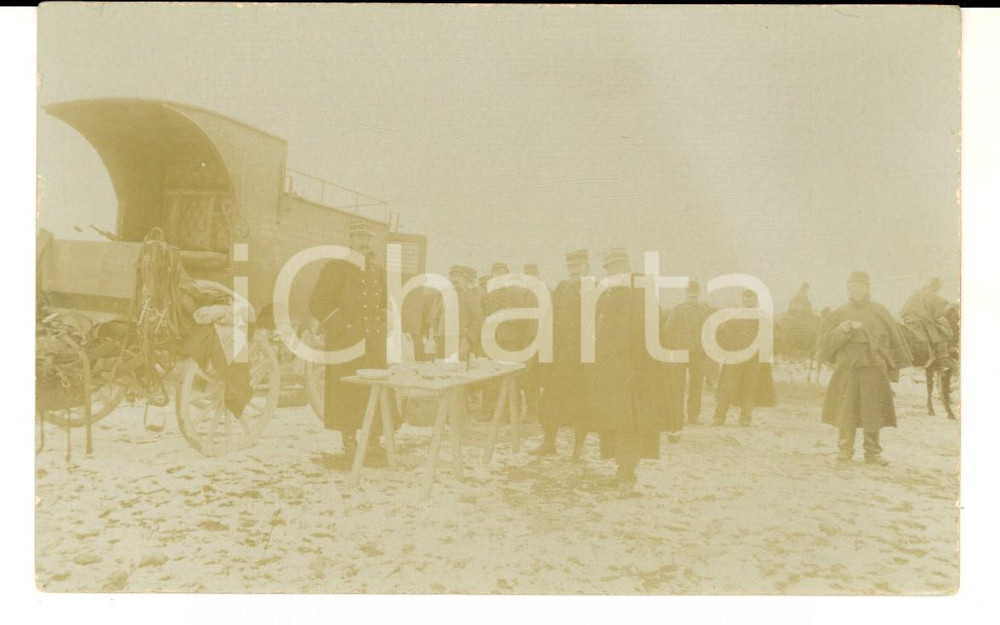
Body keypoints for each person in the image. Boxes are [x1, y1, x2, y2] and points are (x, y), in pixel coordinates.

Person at [587, 247, 677, 497]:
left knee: (631, 424)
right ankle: (621, 471)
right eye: (610, 270)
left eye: (617, 269)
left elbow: (651, 336)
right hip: (611, 372)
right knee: (616, 422)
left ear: (626, 269)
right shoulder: (607, 296)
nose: (613, 274)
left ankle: (628, 475)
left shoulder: (640, 294)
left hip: (635, 374)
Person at [309, 220, 390, 469]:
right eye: (359, 237)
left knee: (374, 391)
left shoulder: (378, 270)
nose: (364, 242)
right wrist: (343, 328)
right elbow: (318, 303)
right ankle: (350, 443)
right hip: (345, 344)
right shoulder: (336, 267)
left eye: (368, 237)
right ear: (350, 240)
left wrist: (382, 327)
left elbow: (383, 305)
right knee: (346, 393)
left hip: (373, 345)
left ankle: (374, 443)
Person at [817, 271, 912, 465]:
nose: (856, 291)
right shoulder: (840, 314)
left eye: (860, 287)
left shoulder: (880, 311)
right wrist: (842, 329)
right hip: (848, 369)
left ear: (867, 288)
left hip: (874, 369)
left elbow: (894, 340)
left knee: (873, 411)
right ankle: (845, 450)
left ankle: (873, 453)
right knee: (846, 409)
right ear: (847, 290)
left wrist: (892, 369)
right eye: (852, 287)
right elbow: (825, 345)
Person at [530, 250, 591, 459]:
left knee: (581, 403)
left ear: (587, 267)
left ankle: (578, 448)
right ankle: (549, 442)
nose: (575, 268)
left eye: (579, 264)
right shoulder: (562, 288)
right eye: (571, 265)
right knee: (551, 401)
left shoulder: (595, 288)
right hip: (557, 357)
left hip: (580, 358)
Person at [712, 289, 776, 427]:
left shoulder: (763, 317)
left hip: (753, 360)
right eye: (746, 299)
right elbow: (721, 333)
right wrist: (727, 351)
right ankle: (719, 417)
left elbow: (772, 338)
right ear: (743, 300)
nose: (749, 301)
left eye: (751, 299)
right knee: (727, 388)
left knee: (750, 388)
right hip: (734, 359)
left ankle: (745, 418)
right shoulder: (734, 316)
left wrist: (765, 354)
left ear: (756, 300)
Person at [662, 280, 714, 425]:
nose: (692, 295)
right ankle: (685, 416)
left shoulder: (696, 310)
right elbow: (669, 330)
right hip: (688, 352)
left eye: (693, 292)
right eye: (691, 292)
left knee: (688, 385)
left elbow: (708, 331)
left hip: (690, 352)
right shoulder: (687, 309)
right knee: (686, 385)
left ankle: (686, 416)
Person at [900, 277, 955, 369]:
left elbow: (903, 311)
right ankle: (943, 357)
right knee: (942, 332)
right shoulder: (931, 295)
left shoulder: (915, 294)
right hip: (922, 322)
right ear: (934, 286)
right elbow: (941, 311)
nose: (937, 289)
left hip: (910, 321)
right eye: (937, 286)